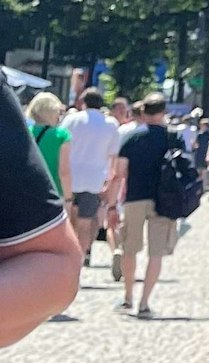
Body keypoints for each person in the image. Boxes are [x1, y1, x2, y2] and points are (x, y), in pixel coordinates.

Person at [0, 84, 82, 346]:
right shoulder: (61, 135)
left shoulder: (31, 131)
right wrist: (67, 199)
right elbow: (64, 170)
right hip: (42, 198)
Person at [108, 94, 180, 318]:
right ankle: (145, 303)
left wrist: (111, 205)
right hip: (164, 201)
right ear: (163, 112)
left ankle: (128, 297)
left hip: (135, 198)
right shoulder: (173, 138)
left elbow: (119, 174)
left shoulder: (132, 138)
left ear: (143, 112)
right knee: (156, 253)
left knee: (130, 249)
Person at [60, 87, 122, 270]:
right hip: (95, 180)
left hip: (69, 177)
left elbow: (60, 144)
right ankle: (79, 260)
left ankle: (67, 257)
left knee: (69, 221)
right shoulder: (110, 124)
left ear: (82, 102)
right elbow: (114, 156)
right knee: (86, 224)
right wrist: (110, 182)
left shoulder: (72, 120)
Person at [26, 92, 71, 194]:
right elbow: (64, 172)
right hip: (53, 191)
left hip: (29, 190)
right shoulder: (61, 135)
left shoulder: (25, 132)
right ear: (52, 112)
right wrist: (68, 197)